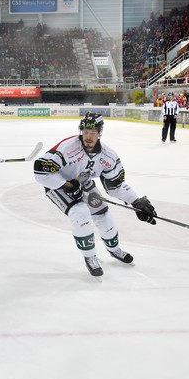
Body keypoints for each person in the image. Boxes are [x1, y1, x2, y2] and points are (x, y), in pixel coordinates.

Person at [33, 113, 158, 277]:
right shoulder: (68, 147)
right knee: (80, 213)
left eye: (93, 133)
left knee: (103, 214)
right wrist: (67, 185)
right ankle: (90, 257)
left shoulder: (108, 156)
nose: (88, 136)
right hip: (58, 184)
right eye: (85, 132)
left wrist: (136, 202)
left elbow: (115, 185)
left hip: (83, 184)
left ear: (100, 133)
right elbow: (40, 170)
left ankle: (114, 249)